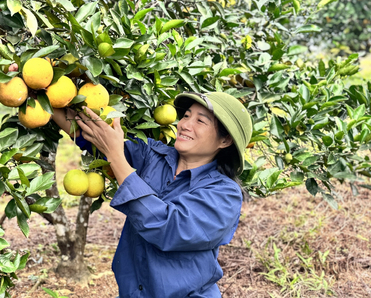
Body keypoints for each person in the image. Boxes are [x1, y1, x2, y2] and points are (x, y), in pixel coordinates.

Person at [51, 92, 253, 298]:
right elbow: (94, 138)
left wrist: (116, 156)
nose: (185, 125)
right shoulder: (153, 155)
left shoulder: (224, 195)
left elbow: (167, 227)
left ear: (225, 140)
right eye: (186, 116)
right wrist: (44, 95)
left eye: (200, 121)